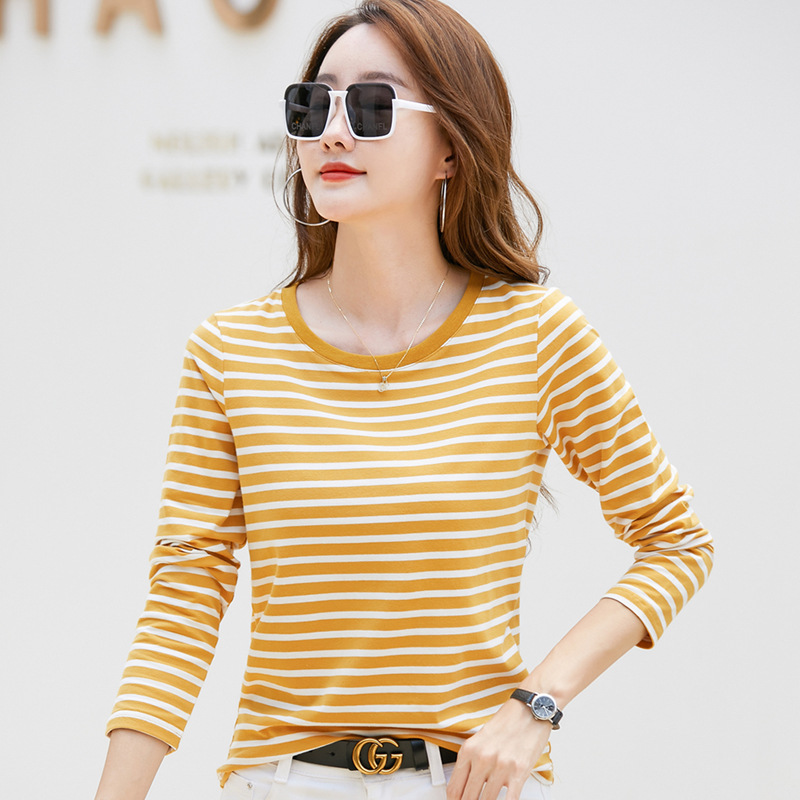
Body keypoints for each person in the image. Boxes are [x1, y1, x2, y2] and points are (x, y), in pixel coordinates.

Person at [94, 1, 714, 799]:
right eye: (312, 106)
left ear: (450, 147)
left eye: (372, 106)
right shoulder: (231, 351)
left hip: (468, 784)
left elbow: (677, 542)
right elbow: (184, 597)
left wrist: (537, 703)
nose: (332, 133)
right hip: (283, 783)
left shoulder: (535, 334)